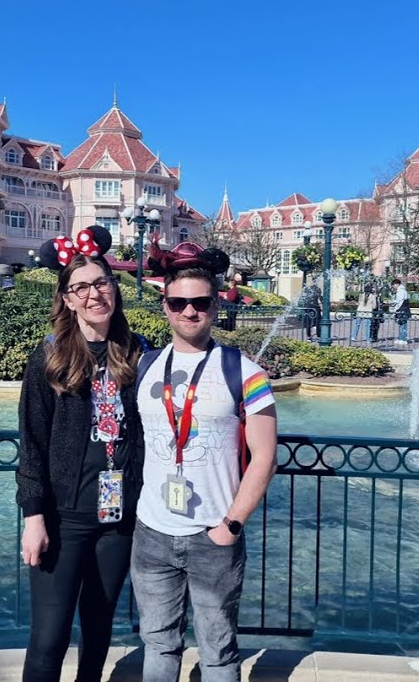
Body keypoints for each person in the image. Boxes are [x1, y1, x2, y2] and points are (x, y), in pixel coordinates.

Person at [131, 241, 278, 682]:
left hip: (214, 534)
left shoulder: (245, 372)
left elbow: (265, 458)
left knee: (217, 652)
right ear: (165, 306)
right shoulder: (145, 366)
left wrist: (231, 525)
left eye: (200, 302)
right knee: (158, 646)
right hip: (152, 532)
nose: (189, 311)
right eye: (179, 302)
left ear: (216, 305)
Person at [16, 226, 146, 682]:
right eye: (82, 288)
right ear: (67, 299)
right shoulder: (49, 357)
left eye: (102, 283)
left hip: (118, 517)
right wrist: (34, 517)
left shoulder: (136, 353)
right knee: (48, 640)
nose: (95, 294)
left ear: (115, 289)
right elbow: (31, 442)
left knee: (98, 629)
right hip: (63, 516)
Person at [390, 278, 410, 345]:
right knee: (401, 323)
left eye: (393, 285)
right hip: (403, 309)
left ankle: (403, 339)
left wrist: (396, 308)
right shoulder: (401, 290)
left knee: (403, 324)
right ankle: (401, 337)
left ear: (397, 284)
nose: (393, 286)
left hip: (403, 309)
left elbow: (400, 301)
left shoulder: (401, 291)